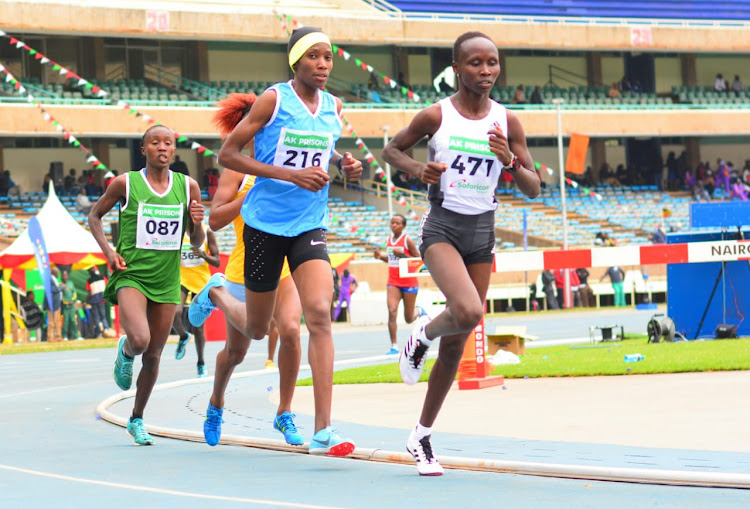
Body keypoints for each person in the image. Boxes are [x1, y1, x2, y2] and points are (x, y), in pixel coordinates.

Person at [189, 28, 363, 456]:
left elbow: (323, 150)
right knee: (253, 328)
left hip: (308, 224)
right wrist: (289, 175)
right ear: (296, 61)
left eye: (329, 58)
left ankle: (323, 429)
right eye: (315, 57)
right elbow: (226, 155)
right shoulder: (273, 100)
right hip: (264, 229)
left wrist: (345, 164)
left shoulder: (334, 107)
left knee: (317, 316)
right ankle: (214, 291)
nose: (323, 65)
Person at [382, 31, 540, 476]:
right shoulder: (437, 115)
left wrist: (509, 161)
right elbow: (391, 149)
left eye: (492, 63)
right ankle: (419, 334)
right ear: (456, 68)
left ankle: (421, 435)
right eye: (475, 63)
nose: (486, 71)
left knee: (456, 345)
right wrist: (418, 168)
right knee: (468, 312)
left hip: (482, 234)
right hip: (443, 229)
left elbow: (534, 186)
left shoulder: (507, 121)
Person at [88, 124, 205, 445]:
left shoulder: (188, 186)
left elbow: (196, 243)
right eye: (155, 143)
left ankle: (137, 418)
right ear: (144, 150)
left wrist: (197, 222)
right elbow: (94, 216)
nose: (162, 148)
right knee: (140, 341)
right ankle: (125, 351)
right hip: (132, 274)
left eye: (168, 143)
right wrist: (109, 252)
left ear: (174, 150)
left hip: (167, 279)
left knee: (154, 355)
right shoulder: (126, 183)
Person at [173, 226, 220, 377]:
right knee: (175, 313)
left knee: (198, 326)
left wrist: (203, 255)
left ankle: (201, 362)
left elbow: (217, 261)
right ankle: (183, 336)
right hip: (183, 280)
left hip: (201, 282)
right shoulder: (177, 231)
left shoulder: (207, 232)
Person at [373, 213, 423, 354]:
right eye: (392, 222)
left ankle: (419, 311)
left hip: (409, 281)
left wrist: (402, 255)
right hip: (393, 281)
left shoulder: (407, 240)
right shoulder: (388, 240)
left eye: (397, 223)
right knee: (392, 311)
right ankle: (394, 346)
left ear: (403, 226)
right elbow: (391, 261)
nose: (394, 225)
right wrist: (379, 257)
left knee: (408, 318)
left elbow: (419, 260)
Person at [86, 266, 113, 337]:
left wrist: (86, 301)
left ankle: (98, 333)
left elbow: (89, 293)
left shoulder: (89, 281)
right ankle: (106, 329)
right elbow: (107, 286)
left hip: (94, 301)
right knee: (103, 316)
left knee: (96, 317)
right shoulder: (102, 277)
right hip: (102, 300)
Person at [42, 267, 63, 342]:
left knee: (57, 321)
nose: (58, 274)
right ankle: (50, 337)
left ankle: (58, 336)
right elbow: (52, 289)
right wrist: (61, 287)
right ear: (54, 273)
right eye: (57, 273)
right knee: (51, 322)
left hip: (56, 304)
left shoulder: (55, 279)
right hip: (51, 304)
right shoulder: (50, 279)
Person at [60, 270, 80, 341]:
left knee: (73, 320)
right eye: (63, 275)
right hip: (65, 307)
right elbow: (61, 296)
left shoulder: (71, 283)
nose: (65, 277)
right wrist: (66, 302)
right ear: (62, 276)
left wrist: (72, 300)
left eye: (66, 275)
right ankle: (64, 336)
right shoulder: (61, 284)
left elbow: (74, 293)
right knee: (65, 322)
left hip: (72, 306)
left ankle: (76, 336)